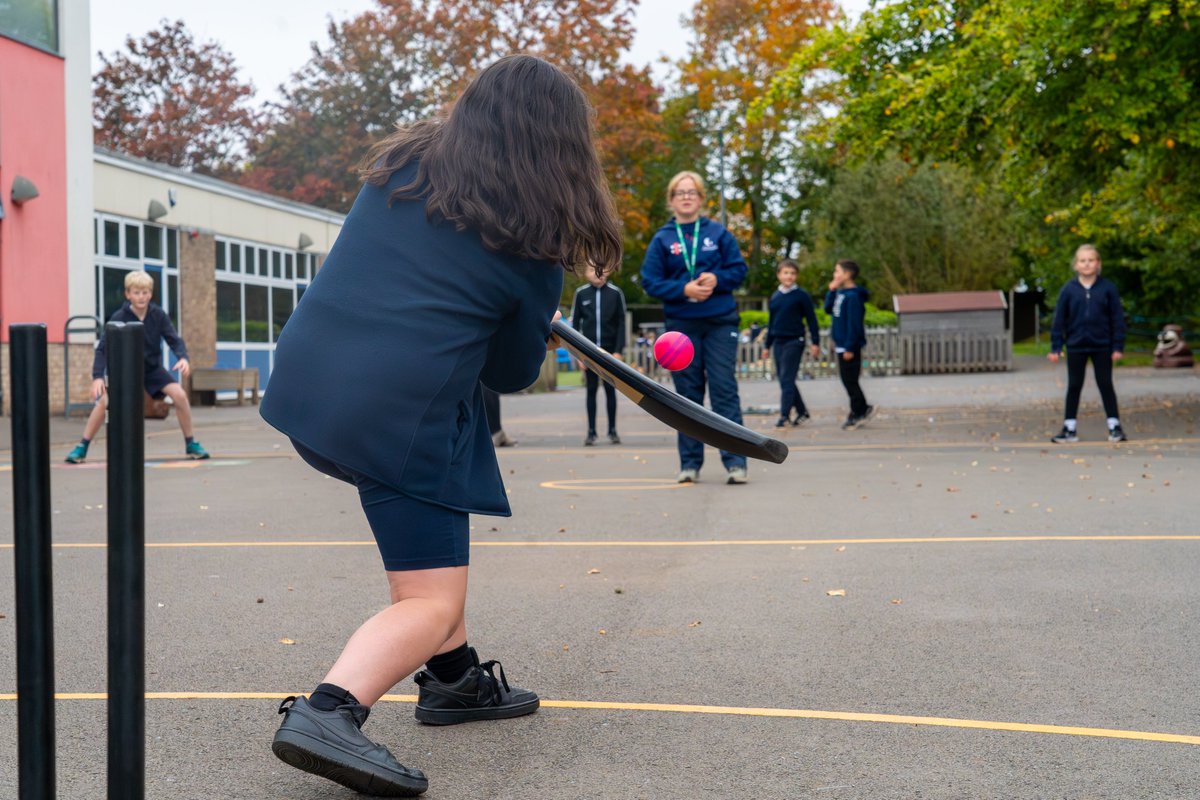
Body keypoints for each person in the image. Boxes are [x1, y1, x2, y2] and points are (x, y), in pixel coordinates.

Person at [260, 55, 622, 797]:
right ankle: (331, 711)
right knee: (429, 600)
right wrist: (532, 319)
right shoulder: (531, 247)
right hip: (394, 417)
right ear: (560, 146)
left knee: (448, 482)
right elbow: (511, 374)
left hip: (307, 386)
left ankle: (455, 681)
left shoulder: (401, 169)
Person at [640, 171, 749, 484]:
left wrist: (718, 280)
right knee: (686, 397)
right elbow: (650, 281)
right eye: (680, 192)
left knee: (723, 389)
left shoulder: (718, 233)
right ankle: (689, 464)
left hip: (720, 322)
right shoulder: (663, 238)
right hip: (681, 328)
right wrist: (683, 290)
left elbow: (739, 270)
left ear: (701, 199)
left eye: (692, 192)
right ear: (672, 200)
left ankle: (736, 461)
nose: (686, 197)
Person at [64, 270, 209, 463]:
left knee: (180, 395)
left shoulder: (158, 315)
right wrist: (97, 377)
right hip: (127, 372)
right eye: (137, 292)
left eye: (145, 292)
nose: (141, 297)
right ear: (128, 294)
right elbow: (102, 350)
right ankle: (82, 446)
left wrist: (182, 358)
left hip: (152, 370)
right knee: (104, 403)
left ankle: (191, 443)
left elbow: (174, 340)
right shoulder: (118, 317)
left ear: (150, 294)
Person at [1048, 244, 1127, 443]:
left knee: (1105, 384)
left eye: (1091, 260)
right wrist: (1056, 346)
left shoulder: (1107, 288)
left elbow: (1117, 318)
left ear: (1098, 263)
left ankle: (1114, 426)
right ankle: (1069, 427)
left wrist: (1117, 346)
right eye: (1082, 261)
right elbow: (1059, 320)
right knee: (1074, 385)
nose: (1087, 264)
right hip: (1076, 345)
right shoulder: (1069, 290)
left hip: (1102, 345)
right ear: (1076, 265)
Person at [570, 263, 627, 445]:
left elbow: (621, 324)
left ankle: (612, 430)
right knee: (591, 391)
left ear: (609, 271)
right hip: (589, 353)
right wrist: (579, 354)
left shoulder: (616, 294)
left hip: (609, 353)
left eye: (602, 270)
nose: (598, 274)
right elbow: (575, 326)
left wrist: (618, 351)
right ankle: (591, 431)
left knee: (610, 391)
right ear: (586, 273)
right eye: (593, 270)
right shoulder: (581, 294)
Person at [763, 259, 820, 427]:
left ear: (796, 276)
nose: (789, 276)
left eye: (793, 273)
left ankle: (784, 416)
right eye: (786, 273)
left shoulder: (801, 296)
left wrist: (815, 342)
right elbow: (772, 323)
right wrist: (767, 345)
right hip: (778, 342)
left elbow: (812, 320)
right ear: (779, 275)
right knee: (784, 379)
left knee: (787, 379)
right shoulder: (775, 297)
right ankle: (802, 411)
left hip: (795, 341)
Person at [824, 259, 875, 430]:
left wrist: (849, 347)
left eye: (837, 271)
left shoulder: (853, 296)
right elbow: (827, 309)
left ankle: (858, 411)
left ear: (846, 274)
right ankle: (861, 408)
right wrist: (831, 290)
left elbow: (854, 325)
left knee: (850, 381)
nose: (834, 274)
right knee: (848, 381)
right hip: (841, 345)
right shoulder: (840, 293)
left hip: (848, 347)